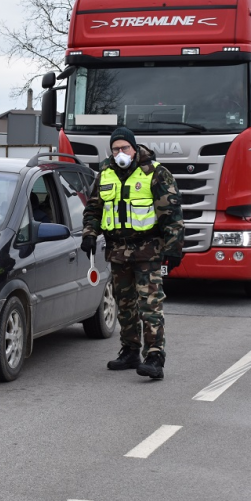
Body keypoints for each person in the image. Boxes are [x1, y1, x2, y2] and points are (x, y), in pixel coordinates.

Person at [81, 127, 184, 379]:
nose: (120, 153)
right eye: (115, 149)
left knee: (150, 304)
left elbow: (171, 214)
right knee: (124, 304)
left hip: (148, 250)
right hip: (117, 251)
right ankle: (130, 350)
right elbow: (94, 209)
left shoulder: (156, 173)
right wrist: (89, 234)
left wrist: (174, 247)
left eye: (124, 148)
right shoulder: (104, 174)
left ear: (134, 148)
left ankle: (155, 356)